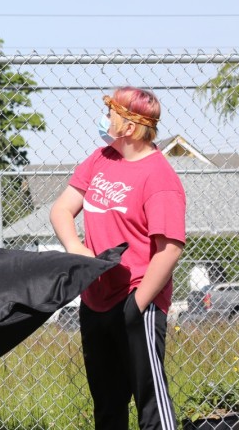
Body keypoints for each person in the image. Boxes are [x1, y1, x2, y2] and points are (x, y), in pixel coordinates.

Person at [50, 86, 186, 430]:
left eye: (111, 112)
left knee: (150, 401)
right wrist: (76, 248)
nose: (104, 118)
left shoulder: (159, 177)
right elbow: (62, 209)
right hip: (95, 298)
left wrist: (137, 305)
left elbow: (169, 248)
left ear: (128, 126)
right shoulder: (100, 158)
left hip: (137, 299)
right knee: (108, 404)